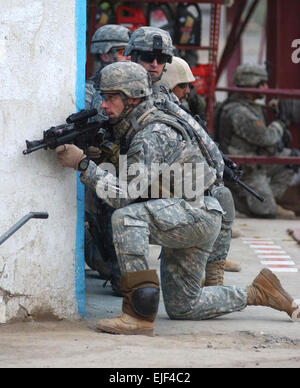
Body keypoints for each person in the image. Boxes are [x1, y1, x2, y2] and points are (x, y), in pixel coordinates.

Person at [55, 61, 299, 336]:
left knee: (126, 218)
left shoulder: (152, 132)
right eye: (103, 97)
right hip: (192, 212)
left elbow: (124, 196)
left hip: (195, 213)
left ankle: (137, 315)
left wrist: (84, 166)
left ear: (132, 98)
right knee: (184, 306)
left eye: (111, 97)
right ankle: (260, 292)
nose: (103, 105)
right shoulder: (141, 120)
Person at [162, 56, 241, 278]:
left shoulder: (178, 107)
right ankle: (213, 265)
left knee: (220, 195)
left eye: (190, 86)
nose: (188, 91)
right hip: (161, 179)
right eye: (182, 85)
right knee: (219, 198)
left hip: (174, 176)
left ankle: (215, 265)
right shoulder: (164, 107)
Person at [216, 63, 298, 219]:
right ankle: (243, 201)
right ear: (251, 84)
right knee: (267, 212)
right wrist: (280, 123)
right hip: (246, 170)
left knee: (292, 160)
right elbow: (266, 137)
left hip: (254, 163)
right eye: (262, 83)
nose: (266, 87)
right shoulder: (239, 111)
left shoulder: (243, 106)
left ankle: (266, 199)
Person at [84, 24, 131, 295]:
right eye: (122, 52)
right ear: (104, 55)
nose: (127, 58)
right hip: (101, 177)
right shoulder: (90, 92)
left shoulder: (132, 89)